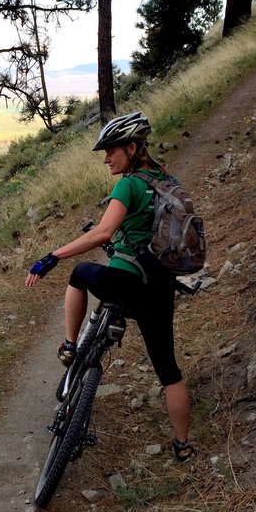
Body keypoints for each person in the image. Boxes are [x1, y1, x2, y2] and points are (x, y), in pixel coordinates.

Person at [24, 111, 194, 463]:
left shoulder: (128, 184)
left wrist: (52, 257)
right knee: (169, 371)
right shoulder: (168, 183)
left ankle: (70, 346)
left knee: (79, 274)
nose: (106, 158)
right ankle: (183, 445)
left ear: (132, 148)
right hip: (160, 288)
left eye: (111, 151)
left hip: (124, 281)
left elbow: (102, 233)